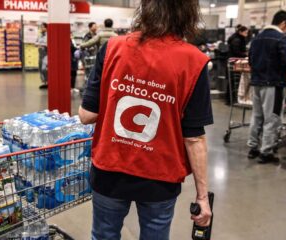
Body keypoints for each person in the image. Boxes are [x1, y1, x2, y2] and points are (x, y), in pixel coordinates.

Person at [79, 0, 213, 239]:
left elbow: (86, 116)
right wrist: (202, 197)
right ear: (188, 14)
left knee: (103, 235)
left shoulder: (113, 47)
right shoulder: (194, 61)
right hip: (160, 177)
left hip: (110, 169)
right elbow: (194, 138)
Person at [248, 10, 286, 163]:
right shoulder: (281, 38)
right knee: (272, 118)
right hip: (273, 83)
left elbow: (250, 59)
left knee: (256, 116)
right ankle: (266, 152)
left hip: (256, 82)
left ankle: (253, 147)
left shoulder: (257, 38)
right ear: (283, 23)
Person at [36, 23, 48, 89]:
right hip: (40, 54)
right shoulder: (39, 36)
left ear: (46, 28)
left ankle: (47, 81)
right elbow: (35, 43)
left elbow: (48, 44)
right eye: (41, 27)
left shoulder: (48, 35)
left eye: (43, 27)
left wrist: (42, 45)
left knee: (44, 68)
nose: (41, 28)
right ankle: (44, 82)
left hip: (46, 54)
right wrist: (38, 44)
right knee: (40, 69)